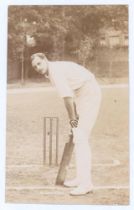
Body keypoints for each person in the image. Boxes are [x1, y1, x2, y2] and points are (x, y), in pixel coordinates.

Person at [31, 53, 101, 196]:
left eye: (39, 63)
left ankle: (86, 184)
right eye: (34, 66)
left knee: (80, 138)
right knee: (78, 137)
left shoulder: (55, 72)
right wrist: (74, 123)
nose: (37, 67)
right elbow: (72, 97)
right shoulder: (51, 71)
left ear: (45, 59)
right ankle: (81, 178)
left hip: (89, 93)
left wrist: (73, 123)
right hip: (82, 94)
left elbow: (68, 99)